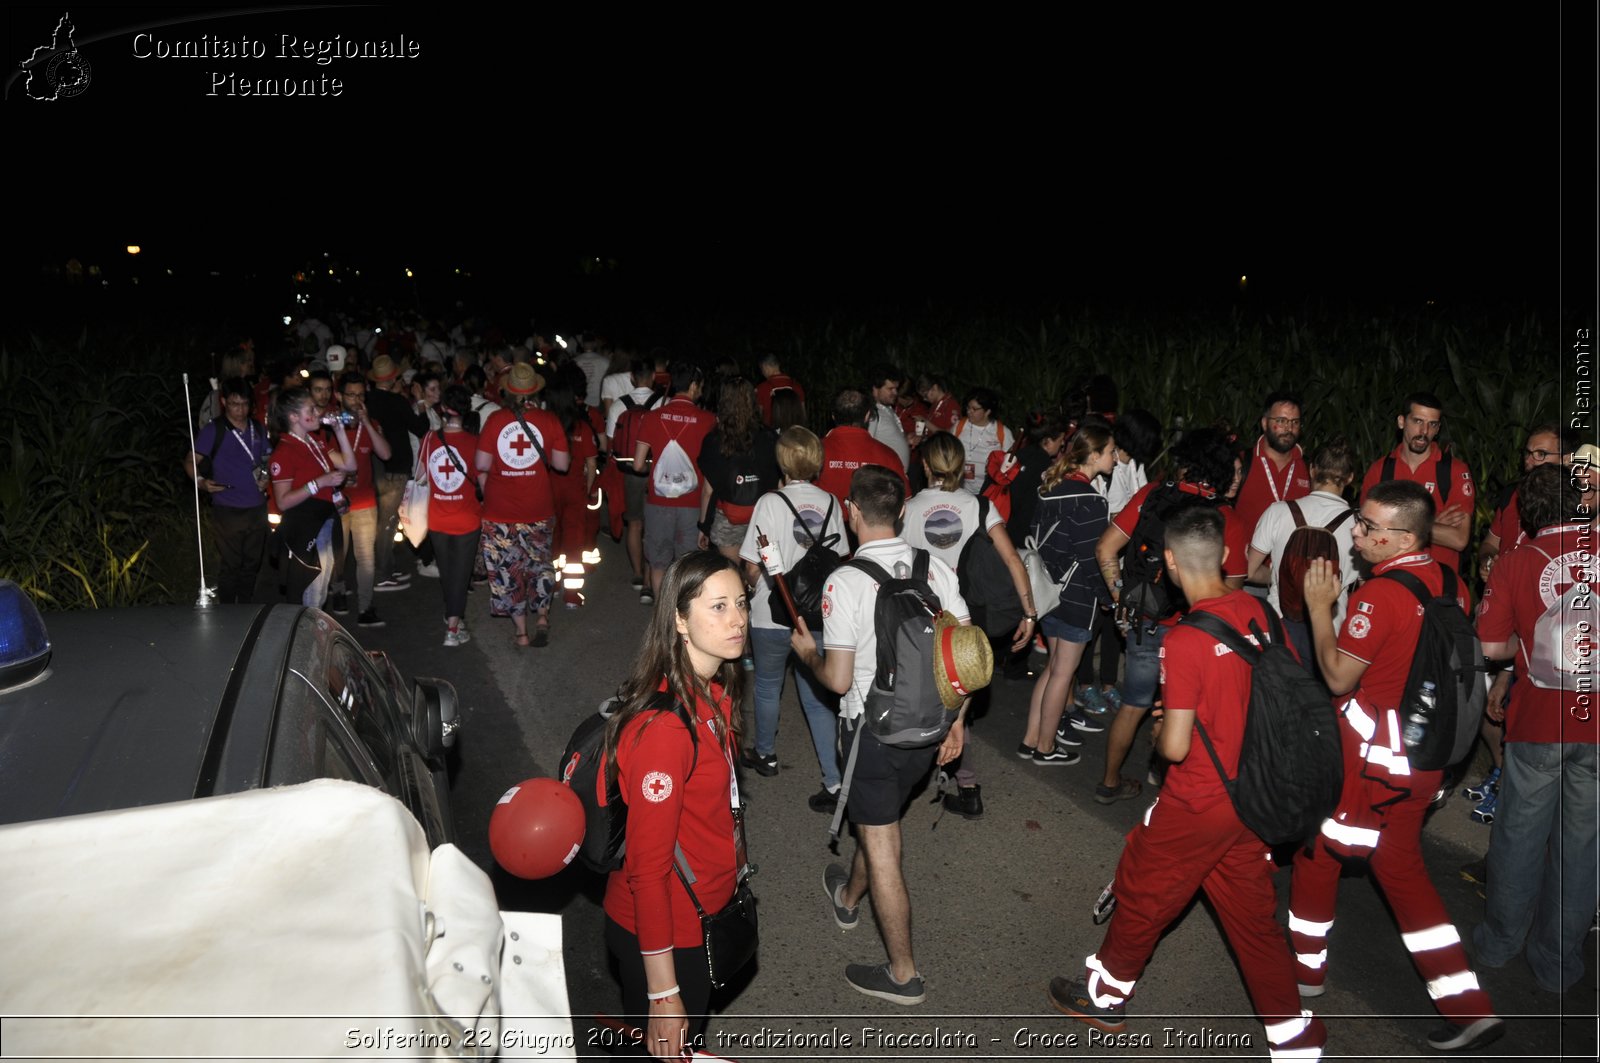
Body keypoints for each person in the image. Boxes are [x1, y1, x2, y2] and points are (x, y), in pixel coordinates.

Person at [1049, 506, 1328, 1060]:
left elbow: (1174, 747)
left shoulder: (1186, 638)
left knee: (1144, 888)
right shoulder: (1258, 610)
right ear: (1225, 556)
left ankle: (1105, 995)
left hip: (1202, 797)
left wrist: (1165, 724)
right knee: (1252, 920)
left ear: (1170, 562)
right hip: (1256, 792)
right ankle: (1295, 1037)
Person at [1289, 480, 1503, 1053]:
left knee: (1318, 850)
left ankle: (1304, 976)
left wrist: (1317, 608)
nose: (1356, 533)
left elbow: (1337, 677)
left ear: (1403, 536)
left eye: (1367, 526)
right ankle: (1468, 1006)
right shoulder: (1446, 579)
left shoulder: (1379, 597)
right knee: (1402, 872)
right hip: (1422, 759)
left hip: (1370, 765)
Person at [789, 465, 972, 1006]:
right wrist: (958, 722)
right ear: (900, 512)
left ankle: (902, 974)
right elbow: (966, 656)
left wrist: (808, 655)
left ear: (851, 511)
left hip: (872, 734)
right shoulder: (935, 568)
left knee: (884, 847)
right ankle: (848, 895)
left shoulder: (844, 581)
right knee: (881, 818)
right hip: (931, 728)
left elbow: (838, 680)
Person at [601, 551, 749, 1062]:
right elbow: (647, 870)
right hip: (668, 931)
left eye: (741, 604)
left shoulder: (713, 693)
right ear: (680, 621)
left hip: (702, 913)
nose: (737, 620)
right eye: (719, 607)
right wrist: (663, 995)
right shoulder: (666, 729)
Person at [1473, 463, 1598, 994]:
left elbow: (1492, 647)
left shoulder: (1515, 563)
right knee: (1583, 846)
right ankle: (1558, 960)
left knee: (1520, 834)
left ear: (1528, 513)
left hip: (1538, 723)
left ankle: (1500, 941)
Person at [1093, 429, 1246, 804]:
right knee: (1186, 714)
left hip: (1143, 624)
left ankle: (1108, 782)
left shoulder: (1152, 495)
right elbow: (1234, 592)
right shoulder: (1227, 520)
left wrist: (1121, 598)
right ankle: (1171, 793)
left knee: (1134, 706)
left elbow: (1105, 548)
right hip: (1194, 634)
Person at [738, 427, 848, 808]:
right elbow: (840, 557)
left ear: (782, 460)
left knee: (768, 685)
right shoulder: (833, 502)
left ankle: (765, 753)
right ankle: (834, 781)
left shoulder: (770, 502)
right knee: (816, 697)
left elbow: (752, 565)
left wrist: (749, 589)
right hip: (817, 615)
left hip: (773, 613)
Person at [1021, 424, 1116, 764]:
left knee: (1052, 668)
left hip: (1048, 590)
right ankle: (1045, 748)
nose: (1114, 457)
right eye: (1109, 452)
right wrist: (1109, 597)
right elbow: (1094, 560)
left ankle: (1031, 738)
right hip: (1076, 596)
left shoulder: (1050, 487)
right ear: (1093, 456)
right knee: (1063, 672)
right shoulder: (1091, 501)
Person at [475, 363, 571, 648]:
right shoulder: (550, 420)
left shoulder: (494, 420)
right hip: (539, 509)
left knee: (509, 570)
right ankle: (542, 616)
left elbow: (480, 464)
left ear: (507, 390)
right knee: (540, 565)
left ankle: (521, 632)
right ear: (535, 389)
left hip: (500, 513)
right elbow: (562, 465)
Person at [1244, 436, 1359, 670]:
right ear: (1350, 478)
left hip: (1279, 629)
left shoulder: (1278, 512)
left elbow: (1249, 571)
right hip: (1329, 635)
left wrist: (1279, 572)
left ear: (1312, 469)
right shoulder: (1360, 525)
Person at [1075, 408, 1163, 714]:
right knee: (1094, 623)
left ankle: (1109, 684)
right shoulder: (1107, 470)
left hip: (1126, 560)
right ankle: (1085, 685)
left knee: (1118, 620)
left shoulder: (1134, 466)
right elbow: (1104, 516)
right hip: (1104, 556)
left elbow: (1142, 503)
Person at [1358, 391, 1475, 575]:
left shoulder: (1455, 471)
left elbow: (1459, 539)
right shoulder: (1380, 470)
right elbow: (1367, 533)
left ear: (1438, 429)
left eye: (1432, 424)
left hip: (1438, 584)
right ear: (1402, 422)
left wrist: (1395, 527)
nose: (1424, 432)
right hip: (1390, 579)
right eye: (1418, 421)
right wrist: (1430, 524)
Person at [634, 362, 718, 602]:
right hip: (694, 503)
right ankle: (684, 616)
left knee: (658, 562)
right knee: (688, 565)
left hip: (659, 500)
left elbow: (638, 465)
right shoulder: (709, 420)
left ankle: (663, 616)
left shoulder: (651, 417)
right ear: (692, 386)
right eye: (700, 385)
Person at [184, 377, 270, 604]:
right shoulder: (214, 430)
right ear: (223, 402)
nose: (240, 410)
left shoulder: (258, 428)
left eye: (244, 404)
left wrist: (266, 476)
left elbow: (266, 459)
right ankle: (228, 611)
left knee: (252, 563)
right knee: (232, 564)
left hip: (257, 506)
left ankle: (246, 607)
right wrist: (201, 481)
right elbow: (190, 461)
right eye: (234, 404)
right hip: (228, 508)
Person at [268, 386, 355, 608]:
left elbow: (350, 465)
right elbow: (283, 501)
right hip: (305, 527)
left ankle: (313, 639)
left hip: (325, 521)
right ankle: (307, 642)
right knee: (311, 593)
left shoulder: (316, 441)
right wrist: (320, 482)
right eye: (311, 410)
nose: (318, 413)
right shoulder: (284, 451)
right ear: (294, 417)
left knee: (321, 590)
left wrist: (340, 431)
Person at [324, 372, 393, 627]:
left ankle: (365, 607)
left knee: (366, 557)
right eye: (351, 395)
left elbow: (385, 453)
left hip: (365, 501)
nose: (356, 400)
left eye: (361, 395)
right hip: (336, 502)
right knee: (337, 554)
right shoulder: (328, 425)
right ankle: (339, 588)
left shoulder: (370, 423)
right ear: (339, 396)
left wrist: (367, 422)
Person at [365, 354, 432, 590]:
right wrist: (421, 402)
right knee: (387, 522)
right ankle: (382, 574)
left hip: (374, 467)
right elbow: (421, 428)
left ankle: (388, 567)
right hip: (396, 468)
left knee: (382, 520)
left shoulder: (366, 400)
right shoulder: (397, 402)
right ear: (393, 378)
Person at [423, 384, 483, 647]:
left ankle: (452, 615)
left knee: (448, 573)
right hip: (467, 518)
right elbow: (483, 480)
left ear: (444, 409)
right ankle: (453, 628)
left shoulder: (429, 439)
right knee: (461, 574)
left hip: (437, 517)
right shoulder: (474, 443)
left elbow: (420, 476)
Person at [697, 378, 779, 563]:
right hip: (763, 516)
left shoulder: (714, 440)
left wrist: (703, 526)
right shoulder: (769, 437)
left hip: (727, 518)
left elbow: (708, 491)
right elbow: (777, 481)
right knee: (759, 575)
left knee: (732, 574)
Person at [607, 358, 665, 601]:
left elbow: (612, 443)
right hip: (657, 471)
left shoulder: (618, 406)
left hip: (630, 471)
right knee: (654, 526)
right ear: (653, 377)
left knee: (634, 523)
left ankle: (638, 573)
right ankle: (652, 578)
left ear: (632, 377)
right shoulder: (663, 403)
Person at [1232, 390, 1312, 544]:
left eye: (1295, 422)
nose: (1289, 428)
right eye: (1281, 421)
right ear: (1264, 423)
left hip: (1289, 565)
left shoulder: (1308, 468)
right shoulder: (1242, 462)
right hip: (1247, 565)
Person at [817, 387, 909, 511]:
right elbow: (905, 499)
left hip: (824, 526)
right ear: (867, 416)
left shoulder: (814, 451)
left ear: (833, 416)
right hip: (871, 526)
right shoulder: (888, 455)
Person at [952, 388, 1011, 496]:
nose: (969, 411)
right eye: (968, 407)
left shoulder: (1001, 432)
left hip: (989, 492)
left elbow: (1010, 464)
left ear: (987, 411)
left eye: (974, 409)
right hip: (960, 490)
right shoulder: (959, 426)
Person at [865, 363, 911, 469]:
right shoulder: (872, 413)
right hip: (886, 478)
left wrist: (906, 440)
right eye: (890, 389)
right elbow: (866, 444)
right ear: (876, 390)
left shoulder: (887, 409)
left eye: (896, 388)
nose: (895, 392)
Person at [753, 353, 805, 426]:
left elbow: (758, 415)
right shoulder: (796, 386)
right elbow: (803, 413)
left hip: (771, 433)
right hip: (793, 433)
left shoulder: (761, 388)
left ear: (765, 367)